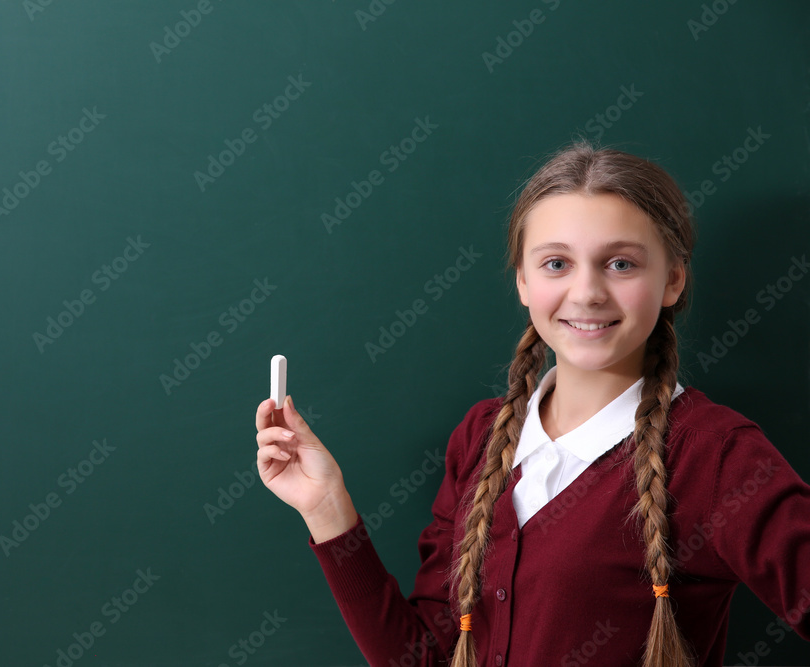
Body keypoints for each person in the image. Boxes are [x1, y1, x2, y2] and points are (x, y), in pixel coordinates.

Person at [253, 140, 810, 667]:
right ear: (522, 280)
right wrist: (327, 510)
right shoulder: (480, 437)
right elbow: (426, 657)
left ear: (674, 279)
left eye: (621, 264)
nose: (587, 292)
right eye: (556, 263)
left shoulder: (714, 456)